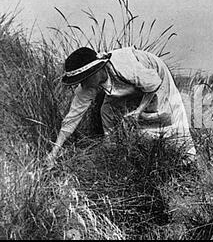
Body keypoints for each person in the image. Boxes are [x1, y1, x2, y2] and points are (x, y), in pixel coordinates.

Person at [47, 46, 196, 164]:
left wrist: (138, 111)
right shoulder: (87, 86)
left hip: (155, 76)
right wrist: (54, 152)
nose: (82, 83)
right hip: (128, 85)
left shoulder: (125, 65)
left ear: (96, 71)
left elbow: (152, 84)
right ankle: (114, 147)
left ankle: (187, 160)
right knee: (107, 110)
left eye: (84, 79)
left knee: (165, 115)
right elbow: (72, 118)